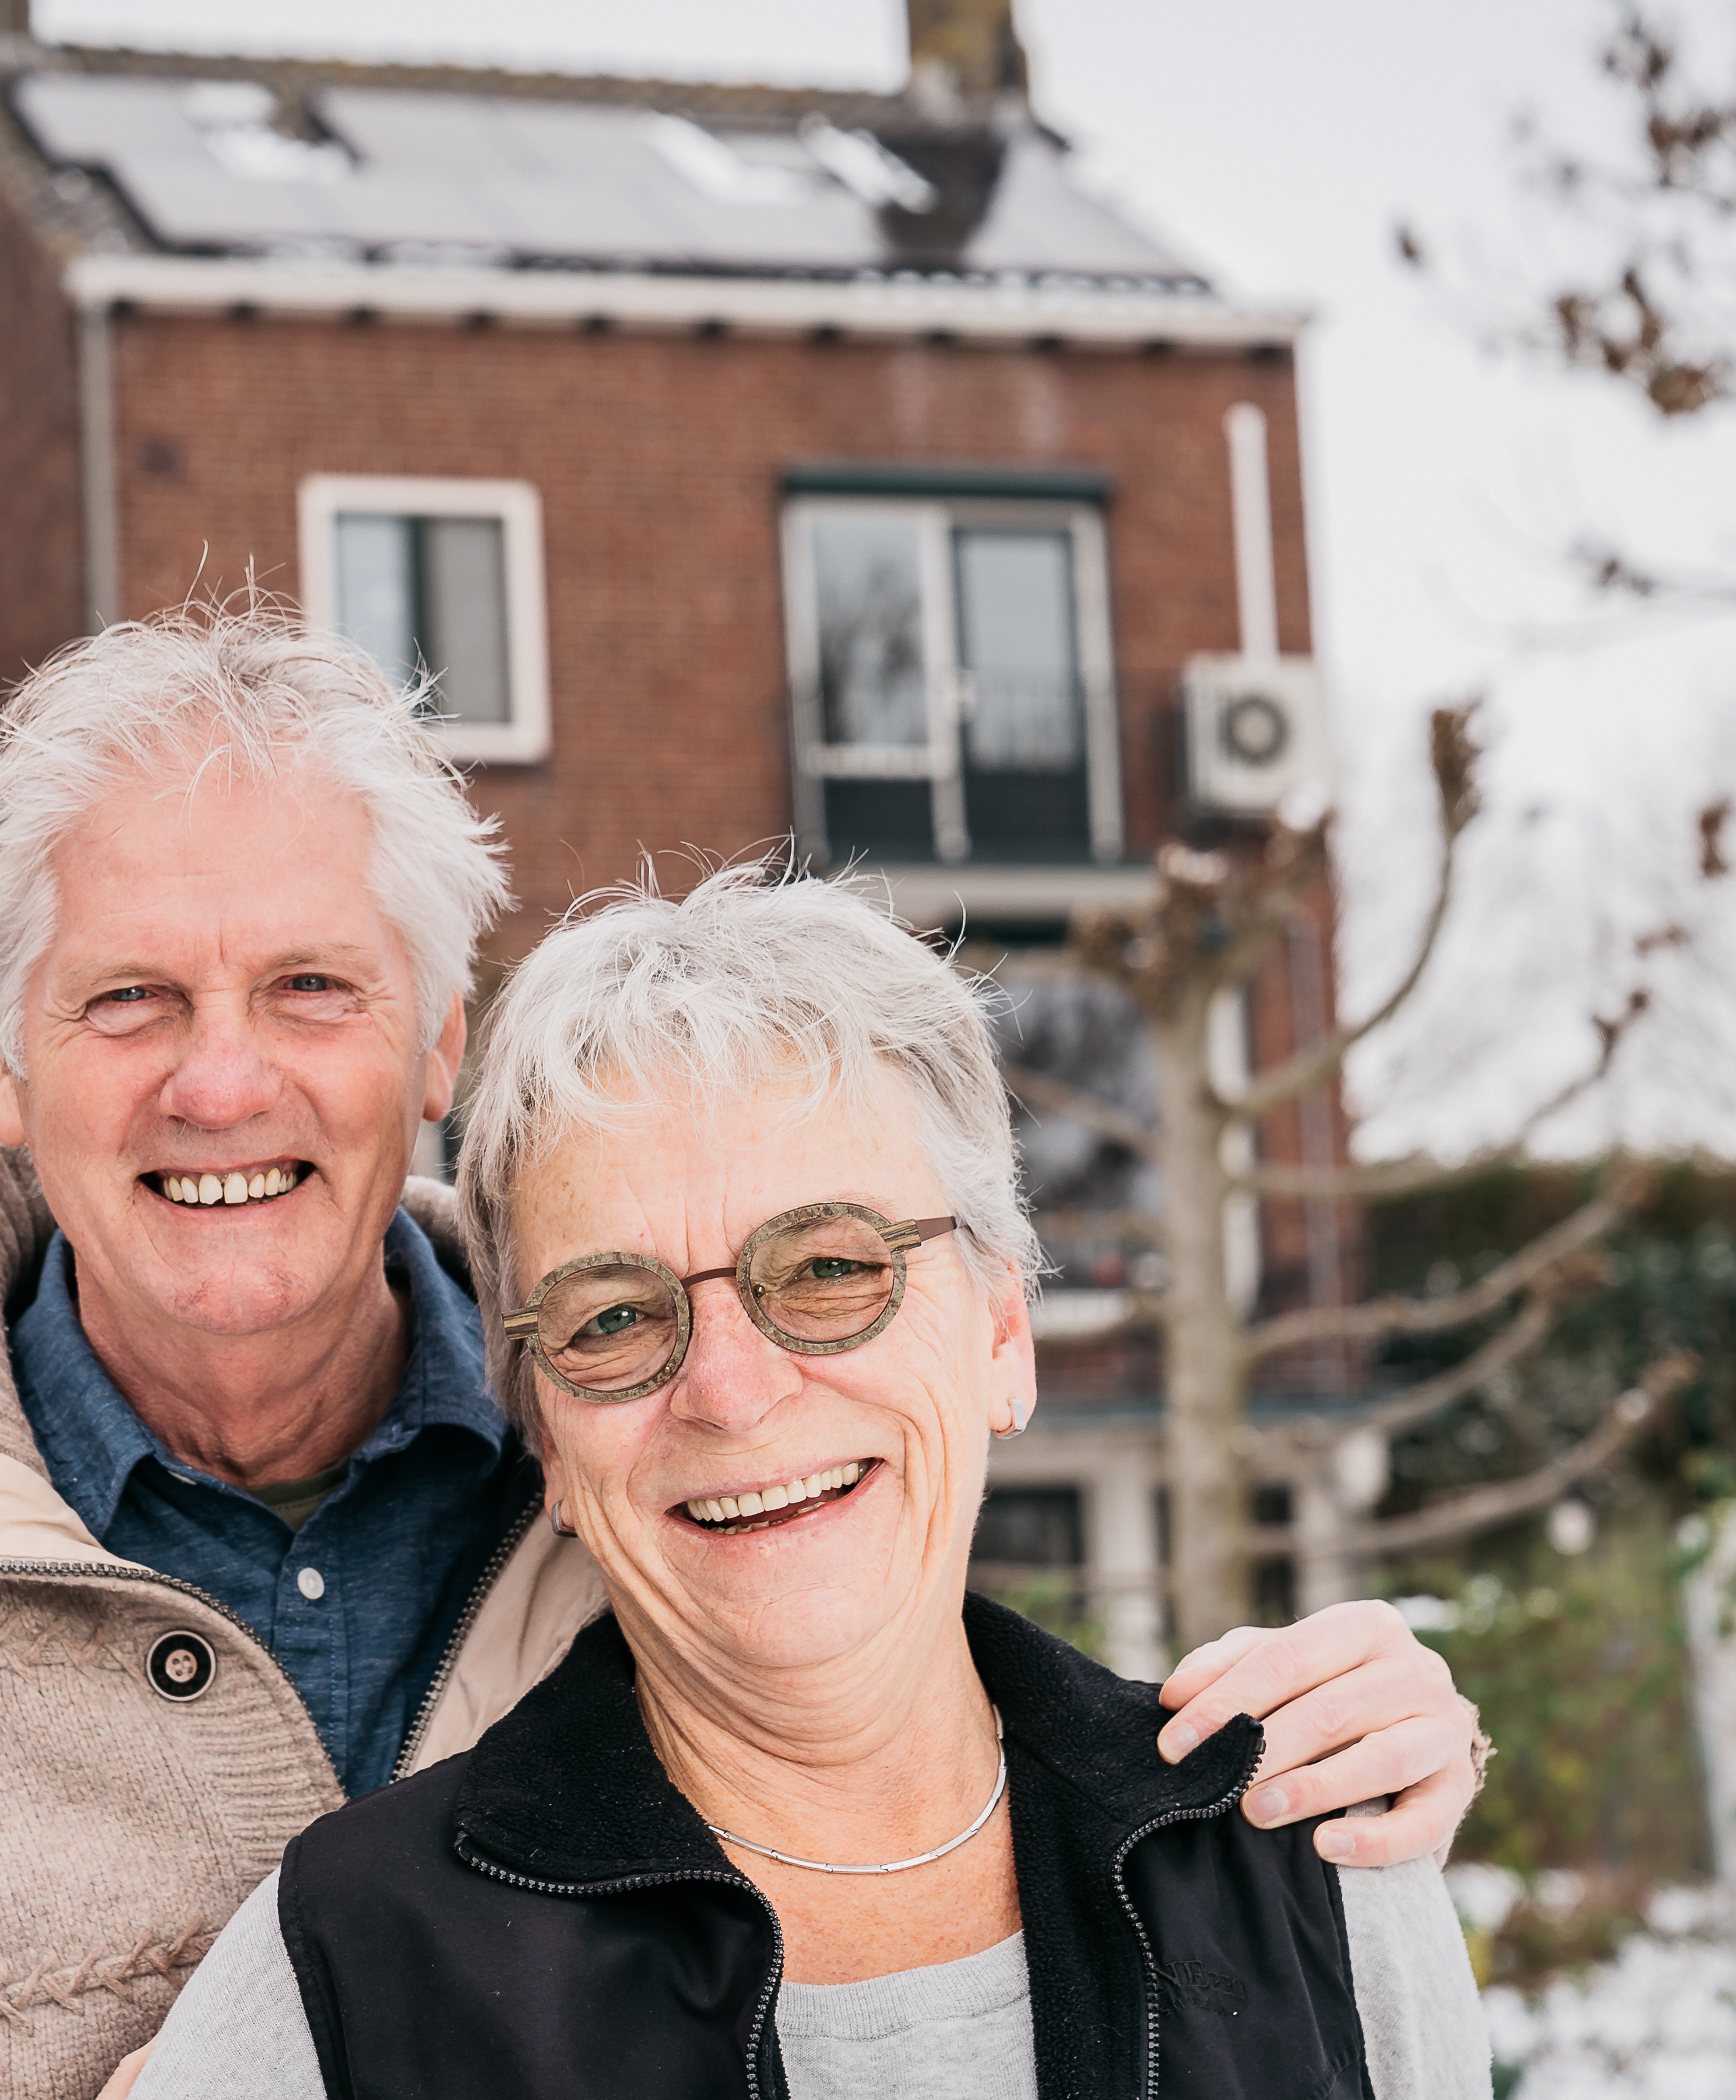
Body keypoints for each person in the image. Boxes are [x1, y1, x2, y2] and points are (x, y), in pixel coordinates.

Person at [0, 609, 1484, 2099]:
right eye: (130, 999)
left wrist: (1346, 1749)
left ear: (435, 1036)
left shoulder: (658, 1453)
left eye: (311, 985)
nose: (221, 1079)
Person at [131, 866, 1489, 2100]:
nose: (729, 1385)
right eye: (612, 1315)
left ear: (1002, 1333)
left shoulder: (1306, 1871)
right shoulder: (348, 1974)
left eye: (832, 1267)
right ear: (544, 1435)